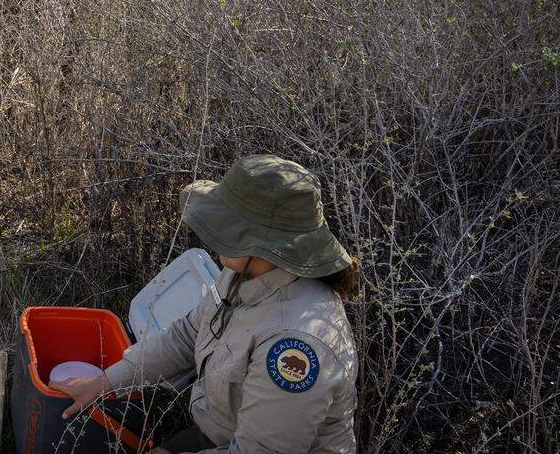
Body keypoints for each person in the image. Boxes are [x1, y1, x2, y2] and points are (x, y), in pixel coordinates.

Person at [54, 155, 360, 453]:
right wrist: (104, 383)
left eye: (228, 227)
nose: (215, 236)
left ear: (266, 246)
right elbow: (187, 333)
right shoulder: (243, 272)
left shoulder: (296, 343)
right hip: (217, 433)